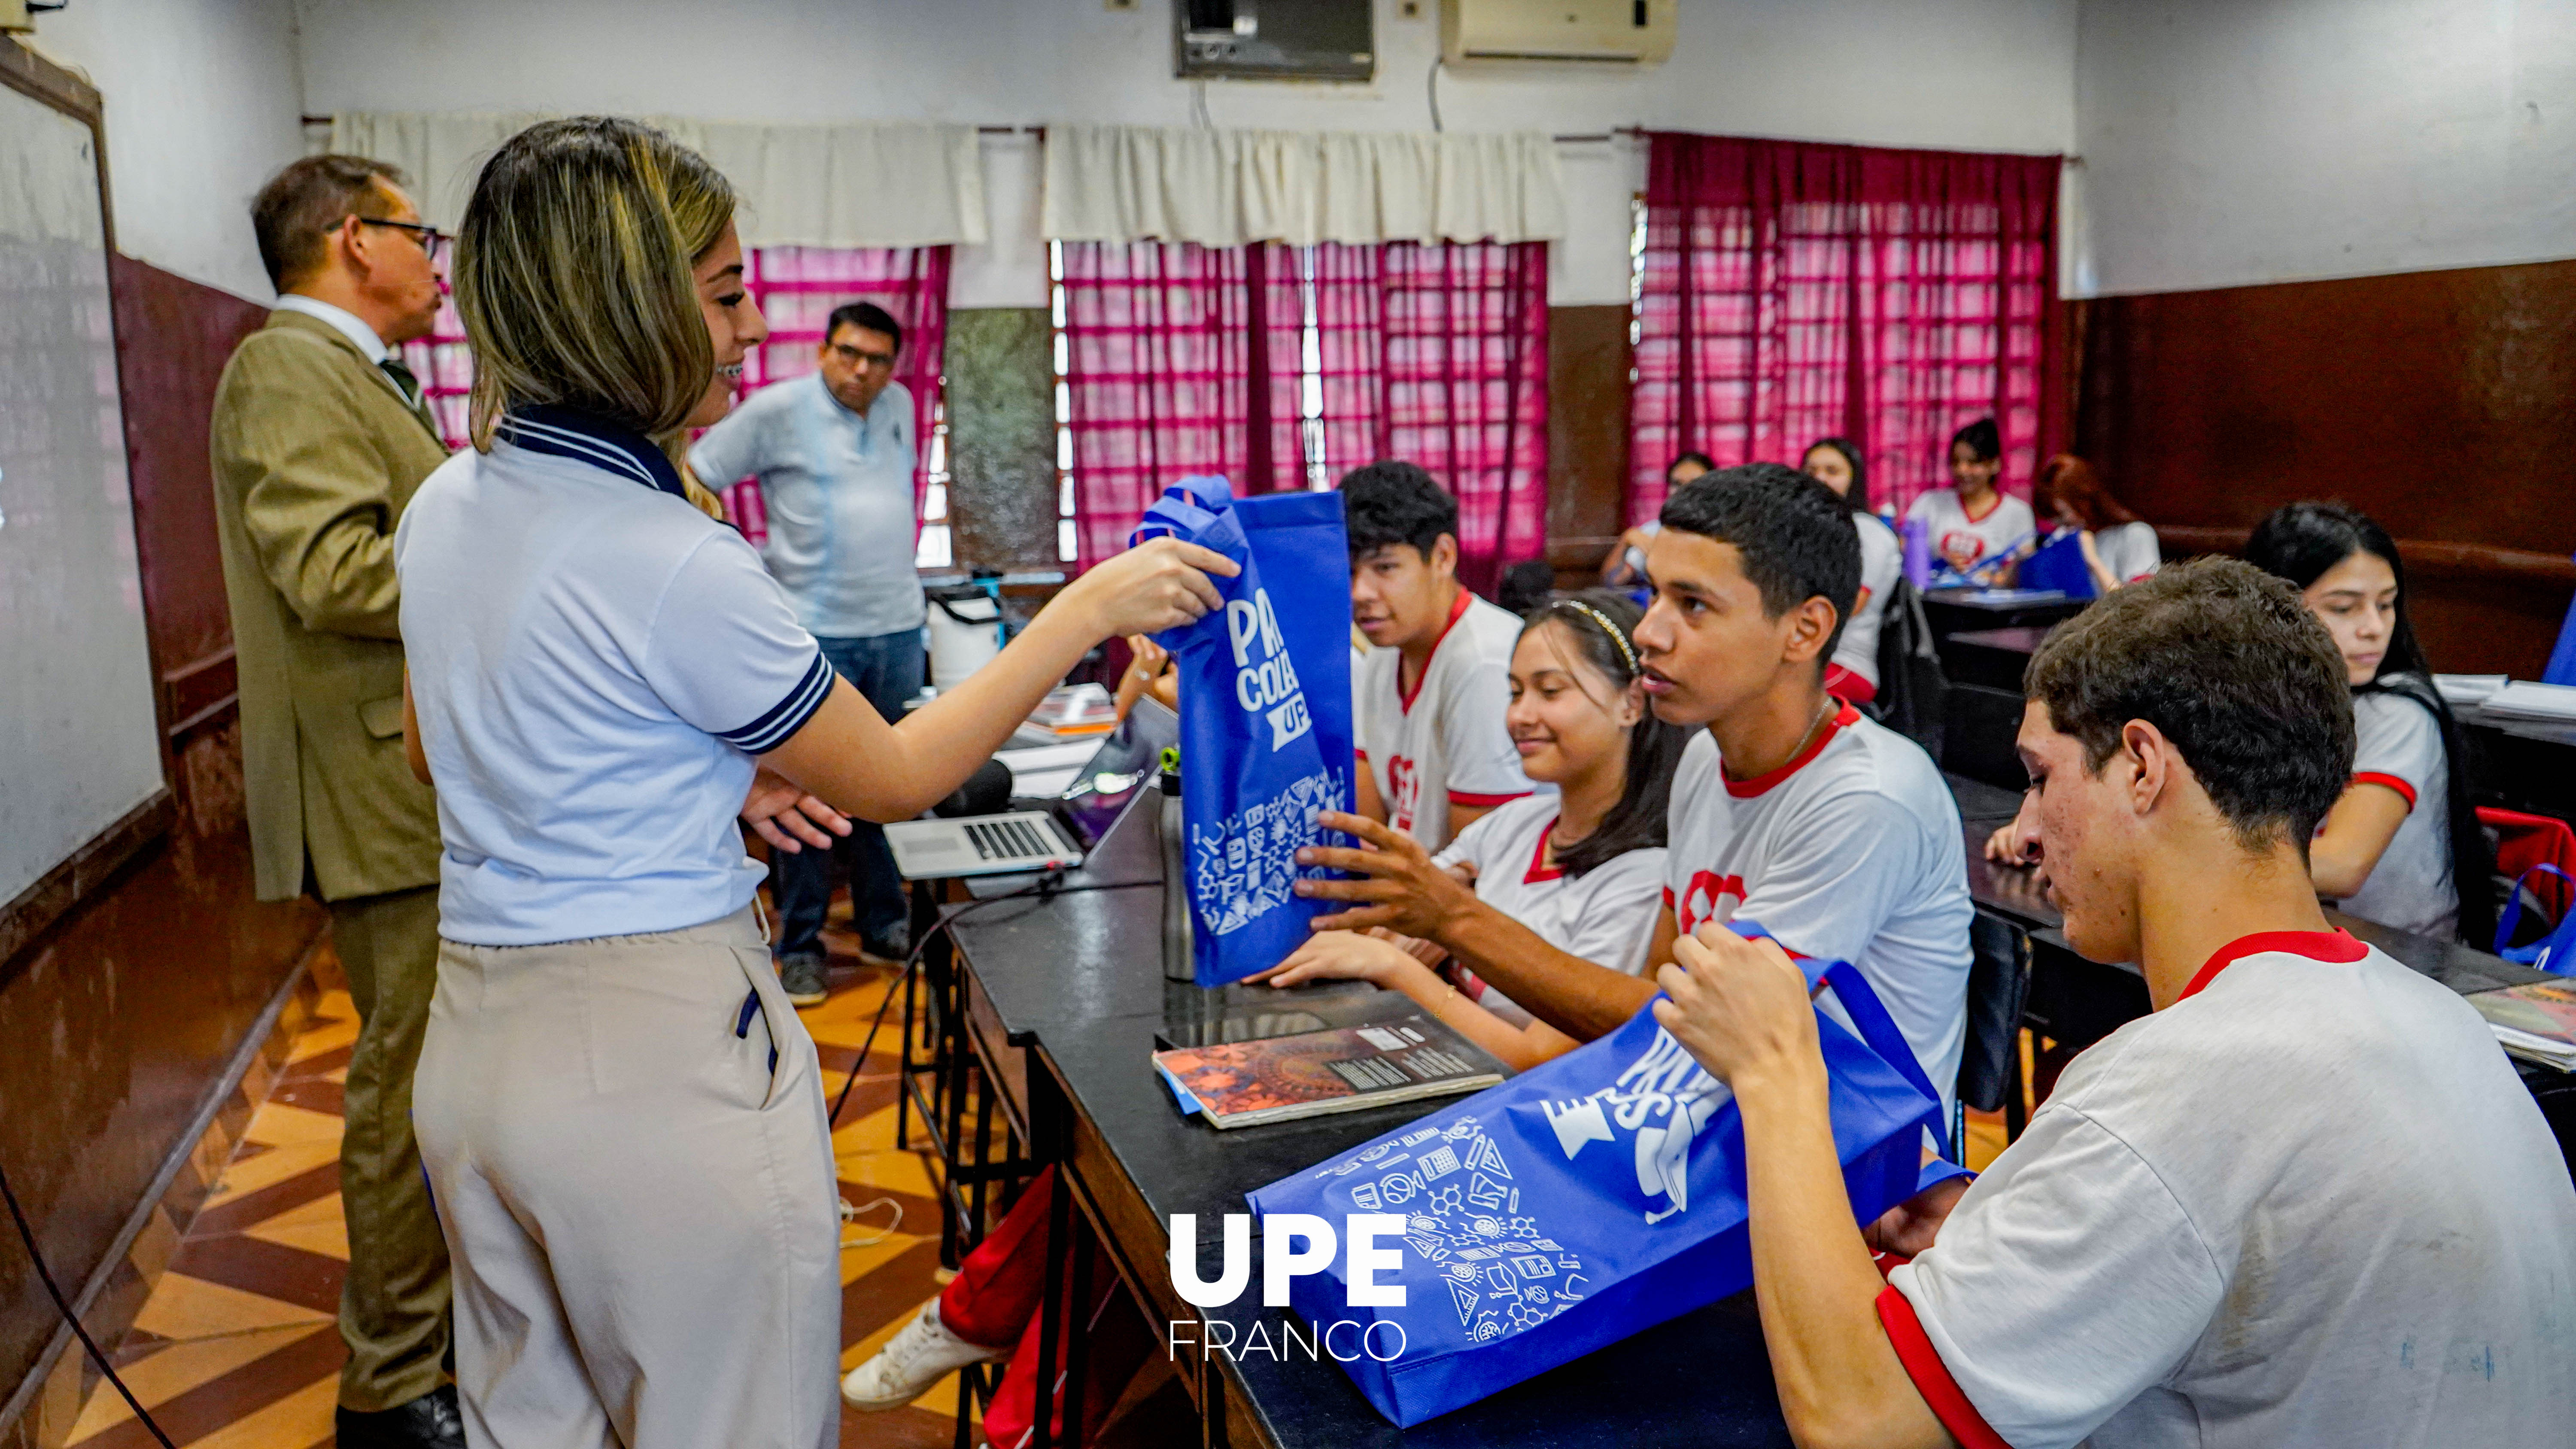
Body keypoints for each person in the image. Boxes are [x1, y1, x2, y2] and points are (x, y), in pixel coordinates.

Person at [395, 117, 1227, 1449]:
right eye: (725, 293)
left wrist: (702, 782)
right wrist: (1083, 609)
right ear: (629, 308)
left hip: (475, 1053)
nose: (752, 324)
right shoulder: (671, 557)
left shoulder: (446, 503)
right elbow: (897, 775)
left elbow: (451, 745)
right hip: (654, 1065)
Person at [1658, 558, 2576, 1448]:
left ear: (2141, 765)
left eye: (2041, 776)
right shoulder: (2438, 1018)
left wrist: (1776, 1072)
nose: (2021, 831)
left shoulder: (2184, 1085)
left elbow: (1864, 1420)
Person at [1297, 465, 1973, 1116]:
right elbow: (1655, 994)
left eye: (1694, 605)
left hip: (1859, 1168)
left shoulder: (1865, 799)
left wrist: (1451, 918)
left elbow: (1701, 1027)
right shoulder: (1705, 758)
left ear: (1806, 629)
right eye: (1656, 596)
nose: (1649, 632)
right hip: (1711, 1118)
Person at [207, 154, 463, 1449]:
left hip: (405, 776)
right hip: (376, 787)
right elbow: (333, 570)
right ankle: (392, 1381)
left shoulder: (349, 372)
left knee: (434, 1074)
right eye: (427, 234)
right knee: (404, 1086)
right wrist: (494, 550)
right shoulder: (286, 368)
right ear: (356, 239)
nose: (441, 260)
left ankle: (435, 1341)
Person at [1255, 591, 1686, 1070]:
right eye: (1516, 691)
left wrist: (1396, 965)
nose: (1521, 716)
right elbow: (1389, 922)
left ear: (1630, 703)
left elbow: (1534, 1058)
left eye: (1550, 691)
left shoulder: (1642, 880)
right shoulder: (1513, 825)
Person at [688, 300, 924, 1004]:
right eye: (849, 353)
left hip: (900, 628)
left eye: (878, 359)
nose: (861, 370)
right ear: (824, 350)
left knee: (894, 787)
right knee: (806, 795)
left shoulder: (900, 405)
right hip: (812, 635)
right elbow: (696, 477)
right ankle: (801, 947)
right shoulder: (777, 411)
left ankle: (886, 923)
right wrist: (735, 573)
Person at [2249, 502, 2495, 944]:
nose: (2375, 627)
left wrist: (2195, 859)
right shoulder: (2254, 700)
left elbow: (2344, 865)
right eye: (2345, 608)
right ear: (2274, 610)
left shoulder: (2397, 712)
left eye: (2386, 604)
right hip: (2300, 941)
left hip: (2405, 958)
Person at [1344, 460, 1537, 850]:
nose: (1360, 593)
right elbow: (1368, 821)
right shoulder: (1387, 646)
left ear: (1444, 557)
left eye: (1385, 568)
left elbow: (1477, 865)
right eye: (1349, 572)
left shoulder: (1486, 664)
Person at [1802, 437, 1902, 708]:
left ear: (1854, 480)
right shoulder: (1801, 532)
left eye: (1832, 471)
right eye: (1811, 471)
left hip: (1846, 664)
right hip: (1802, 657)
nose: (1819, 479)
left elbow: (1851, 604)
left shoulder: (1869, 532)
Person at [1904, 418, 2033, 579]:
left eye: (1973, 463)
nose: (1962, 470)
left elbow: (2022, 572)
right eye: (1956, 462)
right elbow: (1904, 548)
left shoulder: (2017, 513)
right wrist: (1938, 563)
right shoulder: (1930, 503)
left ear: (1995, 465)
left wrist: (1985, 578)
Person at [2034, 453, 2160, 593]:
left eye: (2063, 515)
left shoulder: (2136, 535)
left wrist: (2094, 561)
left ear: (2084, 501)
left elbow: (2142, 603)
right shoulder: (2065, 535)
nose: (2062, 526)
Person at [1602, 451, 1716, 585]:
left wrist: (1658, 553)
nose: (1684, 490)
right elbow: (1612, 582)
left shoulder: (1721, 534)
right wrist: (1627, 539)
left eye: (1694, 483)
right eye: (1677, 484)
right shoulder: (1651, 531)